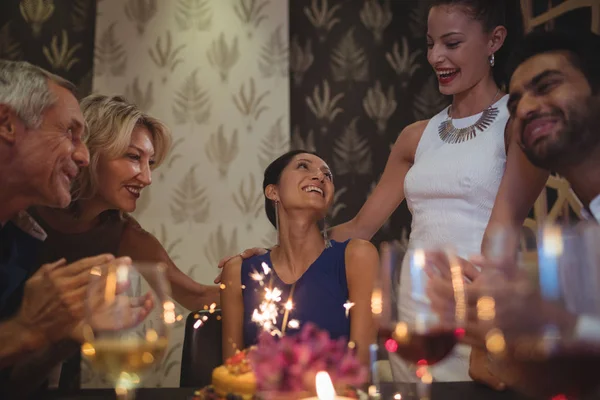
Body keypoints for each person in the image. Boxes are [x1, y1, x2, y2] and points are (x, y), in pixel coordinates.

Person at [218, 0, 548, 385]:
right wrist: (283, 252)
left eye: (452, 43)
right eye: (430, 44)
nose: (436, 57)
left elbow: (503, 231)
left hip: (479, 312)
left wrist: (484, 332)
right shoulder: (415, 137)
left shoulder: (518, 123)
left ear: (495, 40)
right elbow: (361, 226)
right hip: (414, 314)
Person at [428, 29, 600, 398]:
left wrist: (547, 321)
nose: (524, 109)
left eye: (547, 85)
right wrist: (508, 345)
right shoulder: (588, 240)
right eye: (515, 102)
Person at [0, 60, 133, 394]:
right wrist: (22, 331)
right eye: (70, 133)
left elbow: (12, 384)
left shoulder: (20, 240)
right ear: (6, 123)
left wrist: (60, 338)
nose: (84, 157)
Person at [31, 94, 219, 312]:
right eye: (133, 157)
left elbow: (197, 297)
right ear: (90, 151)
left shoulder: (124, 234)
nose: (147, 178)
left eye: (150, 163)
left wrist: (264, 265)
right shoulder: (22, 208)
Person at [220, 150, 378, 366]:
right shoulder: (238, 271)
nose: (320, 177)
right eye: (303, 166)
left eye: (327, 175)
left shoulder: (358, 256)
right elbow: (232, 373)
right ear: (273, 191)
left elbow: (361, 368)